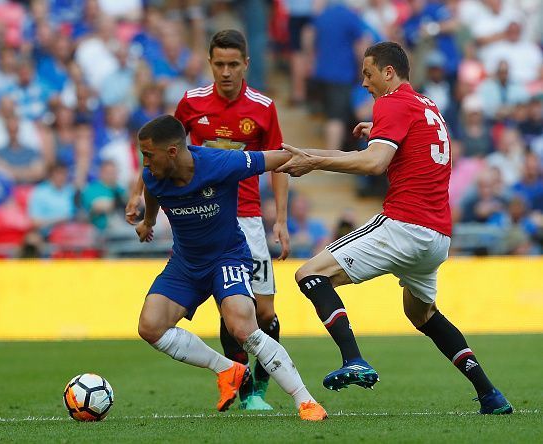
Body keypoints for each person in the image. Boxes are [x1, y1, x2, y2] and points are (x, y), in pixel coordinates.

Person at [276, 42, 512, 415]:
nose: (364, 82)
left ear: (389, 72)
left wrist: (315, 161)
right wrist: (321, 152)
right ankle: (490, 394)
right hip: (437, 236)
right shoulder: (427, 105)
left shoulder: (392, 102)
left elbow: (373, 163)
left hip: (405, 224)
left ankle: (353, 358)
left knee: (309, 274)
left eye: (368, 74)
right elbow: (394, 150)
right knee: (421, 315)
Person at [126, 29, 290, 410]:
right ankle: (246, 389)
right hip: (206, 215)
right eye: (219, 64)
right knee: (228, 306)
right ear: (210, 63)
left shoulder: (263, 107)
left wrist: (279, 218)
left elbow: (278, 161)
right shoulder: (191, 103)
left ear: (246, 64)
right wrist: (138, 193)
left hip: (248, 216)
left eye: (234, 64)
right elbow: (158, 153)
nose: (226, 72)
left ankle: (258, 385)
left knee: (263, 313)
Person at [134, 115, 326, 421]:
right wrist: (147, 222)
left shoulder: (220, 163)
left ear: (171, 152)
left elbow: (274, 158)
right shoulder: (156, 176)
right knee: (150, 327)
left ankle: (305, 400)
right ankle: (227, 368)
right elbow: (152, 193)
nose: (144, 164)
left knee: (242, 328)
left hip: (227, 257)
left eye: (148, 155)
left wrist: (314, 160)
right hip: (185, 264)